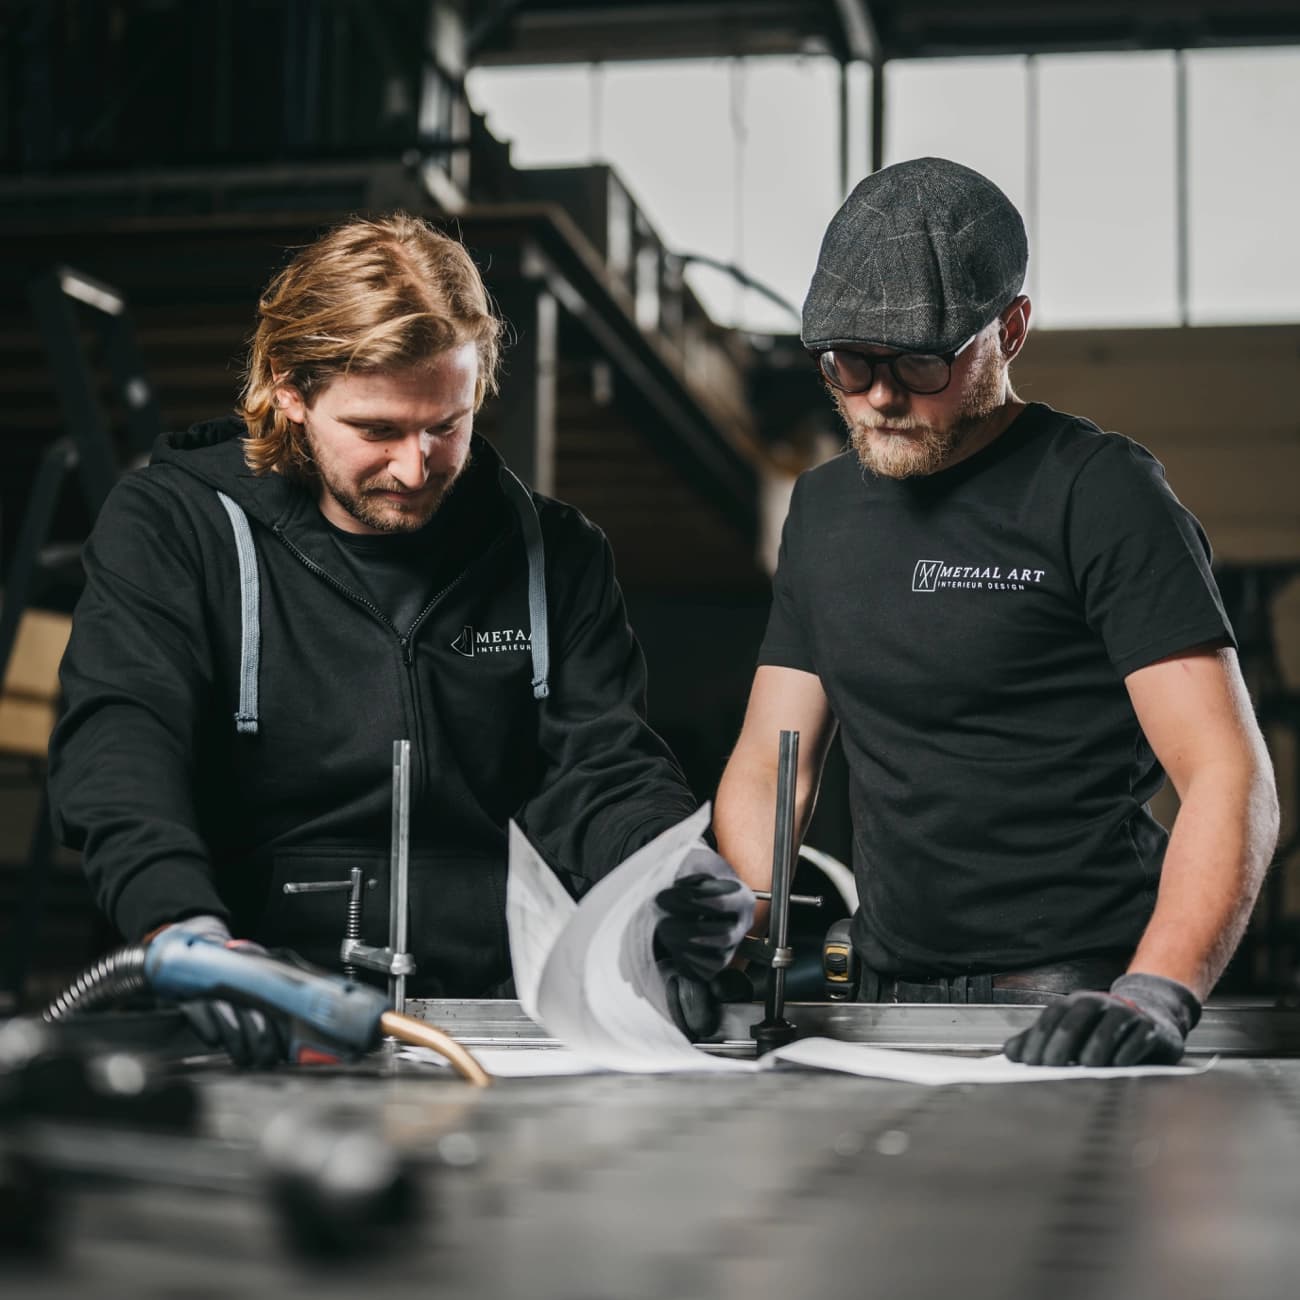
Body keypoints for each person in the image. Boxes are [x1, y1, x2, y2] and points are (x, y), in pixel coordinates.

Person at [48, 213, 752, 1063]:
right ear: (291, 390)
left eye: (446, 425)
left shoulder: (556, 553)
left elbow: (599, 766)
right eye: (378, 430)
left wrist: (666, 865)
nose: (416, 469)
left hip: (499, 1025)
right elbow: (122, 742)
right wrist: (180, 925)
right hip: (261, 1008)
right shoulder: (173, 526)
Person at [715, 157, 1279, 1067]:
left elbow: (1226, 772)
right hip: (882, 1000)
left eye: (921, 360)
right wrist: (741, 926)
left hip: (1076, 997)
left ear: (1010, 330)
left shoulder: (1099, 492)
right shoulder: (821, 510)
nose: (880, 395)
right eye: (849, 362)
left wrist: (1156, 990)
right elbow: (769, 764)